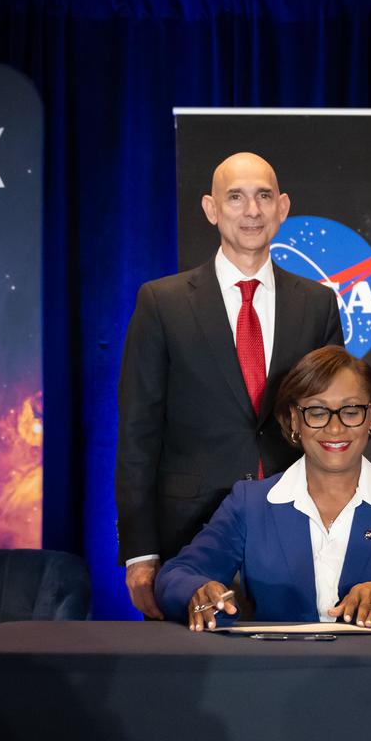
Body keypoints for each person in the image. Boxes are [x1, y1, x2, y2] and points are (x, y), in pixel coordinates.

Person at [117, 152, 341, 619]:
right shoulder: (162, 302)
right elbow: (138, 433)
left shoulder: (317, 304)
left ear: (283, 207)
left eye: (263, 197)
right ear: (211, 209)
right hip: (188, 539)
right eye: (235, 197)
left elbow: (332, 423)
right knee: (189, 685)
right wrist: (140, 552)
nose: (252, 211)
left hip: (295, 531)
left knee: (295, 679)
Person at [156, 346, 371, 628]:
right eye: (317, 412)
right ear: (294, 419)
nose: (335, 428)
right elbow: (174, 576)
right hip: (275, 679)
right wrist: (197, 592)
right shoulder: (250, 503)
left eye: (350, 411)